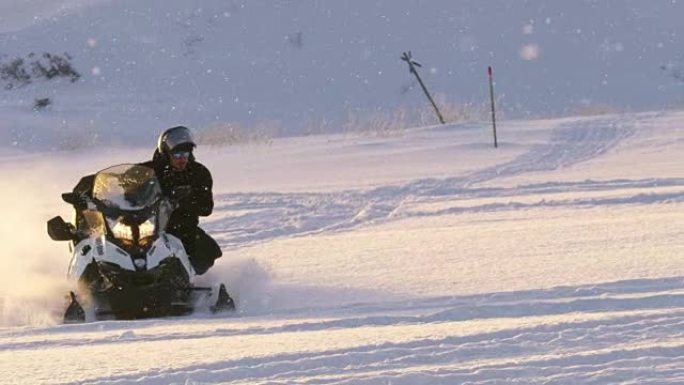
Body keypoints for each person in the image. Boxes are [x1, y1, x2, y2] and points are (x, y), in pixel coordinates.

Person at [140, 126, 222, 275]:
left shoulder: (198, 173)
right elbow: (120, 184)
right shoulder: (146, 171)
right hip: (146, 227)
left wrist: (183, 200)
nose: (182, 159)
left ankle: (188, 284)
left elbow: (206, 208)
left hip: (183, 228)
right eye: (177, 155)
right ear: (166, 154)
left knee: (207, 252)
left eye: (185, 154)